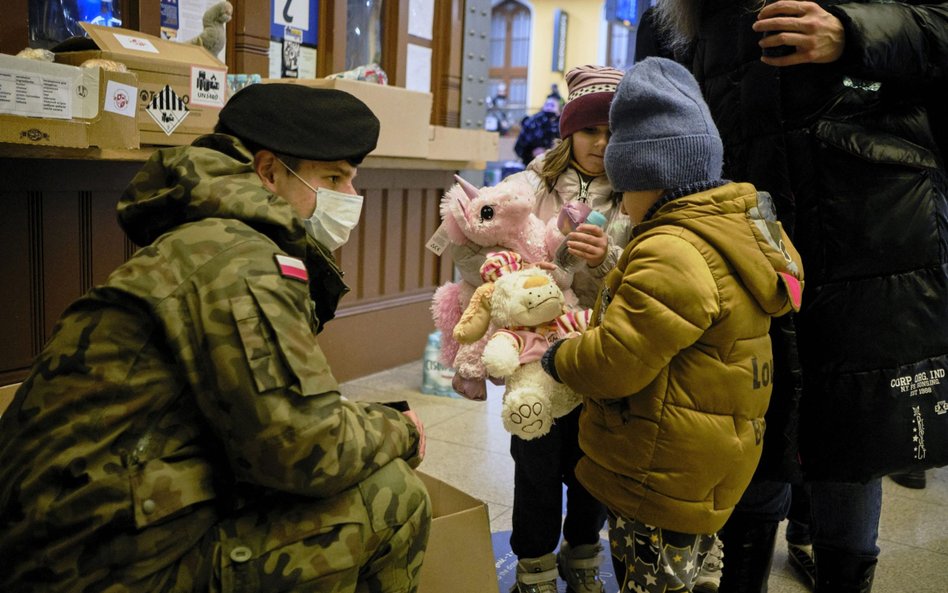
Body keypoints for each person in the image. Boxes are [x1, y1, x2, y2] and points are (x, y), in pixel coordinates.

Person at [0, 83, 431, 593]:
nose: (352, 198)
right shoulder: (240, 260)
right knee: (394, 497)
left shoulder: (206, 239)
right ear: (269, 172)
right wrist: (400, 431)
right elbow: (304, 451)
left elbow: (271, 425)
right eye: (333, 177)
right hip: (92, 568)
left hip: (72, 537)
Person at [653, 1, 948, 591]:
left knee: (850, 435)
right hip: (742, 232)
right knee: (748, 418)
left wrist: (853, 32)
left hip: (867, 232)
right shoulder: (681, 14)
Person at [540, 56, 805, 593]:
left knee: (654, 580)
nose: (624, 203)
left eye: (626, 186)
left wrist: (559, 357)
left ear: (652, 181)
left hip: (658, 468)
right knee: (695, 576)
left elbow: (616, 361)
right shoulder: (741, 228)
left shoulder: (669, 248)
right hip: (711, 459)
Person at [451, 65, 629, 593]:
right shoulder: (524, 185)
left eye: (612, 131)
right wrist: (507, 269)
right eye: (591, 130)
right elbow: (468, 250)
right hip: (532, 356)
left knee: (593, 462)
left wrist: (608, 257)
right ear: (567, 130)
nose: (601, 142)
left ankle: (581, 554)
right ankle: (533, 564)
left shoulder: (635, 190)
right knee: (535, 460)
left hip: (598, 345)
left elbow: (650, 272)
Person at [514, 91, 561, 166]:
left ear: (559, 110)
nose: (549, 108)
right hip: (533, 164)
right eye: (547, 105)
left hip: (557, 164)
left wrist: (550, 151)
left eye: (552, 105)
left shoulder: (562, 124)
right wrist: (531, 153)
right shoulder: (533, 122)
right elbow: (519, 147)